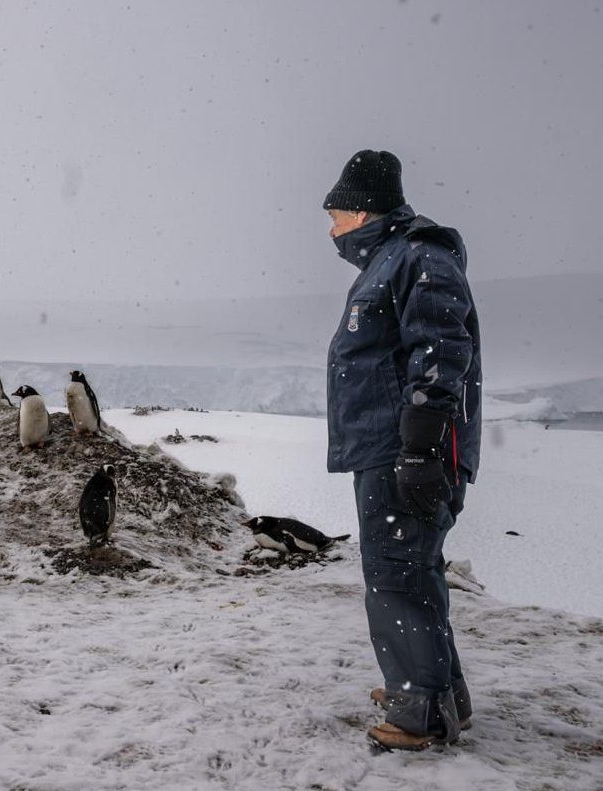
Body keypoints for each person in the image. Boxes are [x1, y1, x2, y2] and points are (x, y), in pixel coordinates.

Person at [322, 150, 482, 751]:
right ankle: (442, 696)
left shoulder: (419, 256)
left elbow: (442, 345)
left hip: (405, 449)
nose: (332, 229)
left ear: (363, 211)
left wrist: (420, 446)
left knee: (397, 573)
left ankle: (417, 713)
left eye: (336, 215)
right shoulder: (393, 261)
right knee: (412, 569)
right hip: (388, 446)